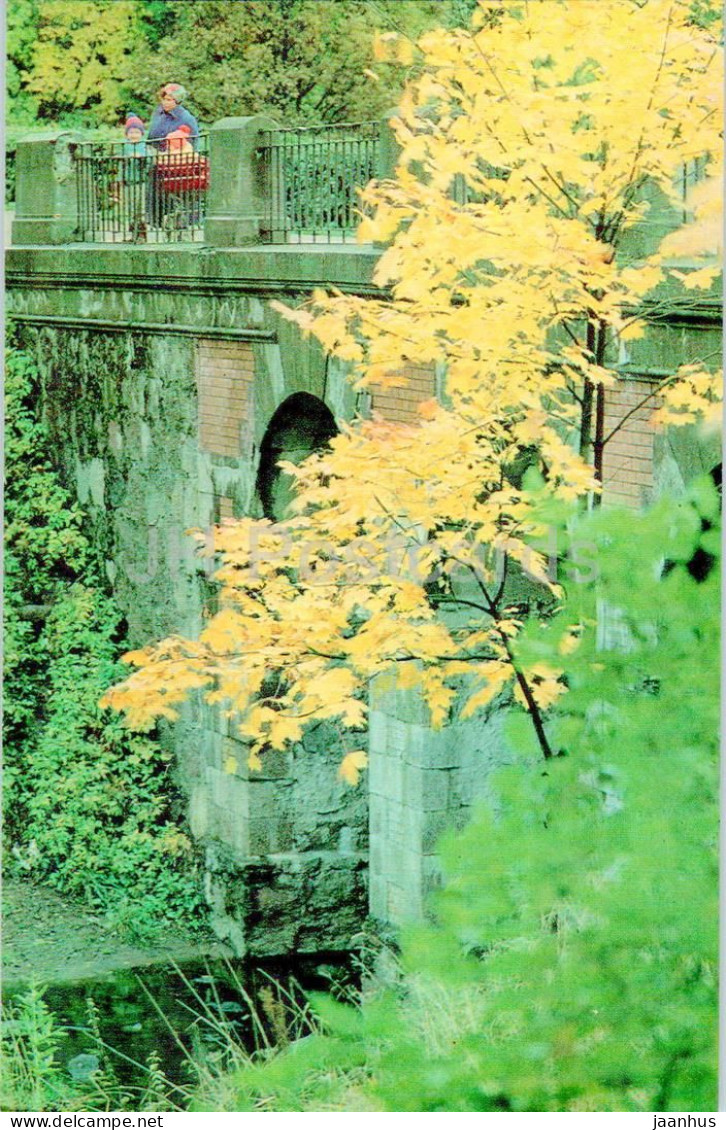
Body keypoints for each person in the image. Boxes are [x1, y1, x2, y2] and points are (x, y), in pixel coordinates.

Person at [147, 84, 200, 150]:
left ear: (178, 101)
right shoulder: (158, 113)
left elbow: (193, 143)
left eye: (169, 100)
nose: (165, 102)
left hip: (175, 156)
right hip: (154, 154)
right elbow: (150, 138)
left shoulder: (187, 118)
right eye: (164, 99)